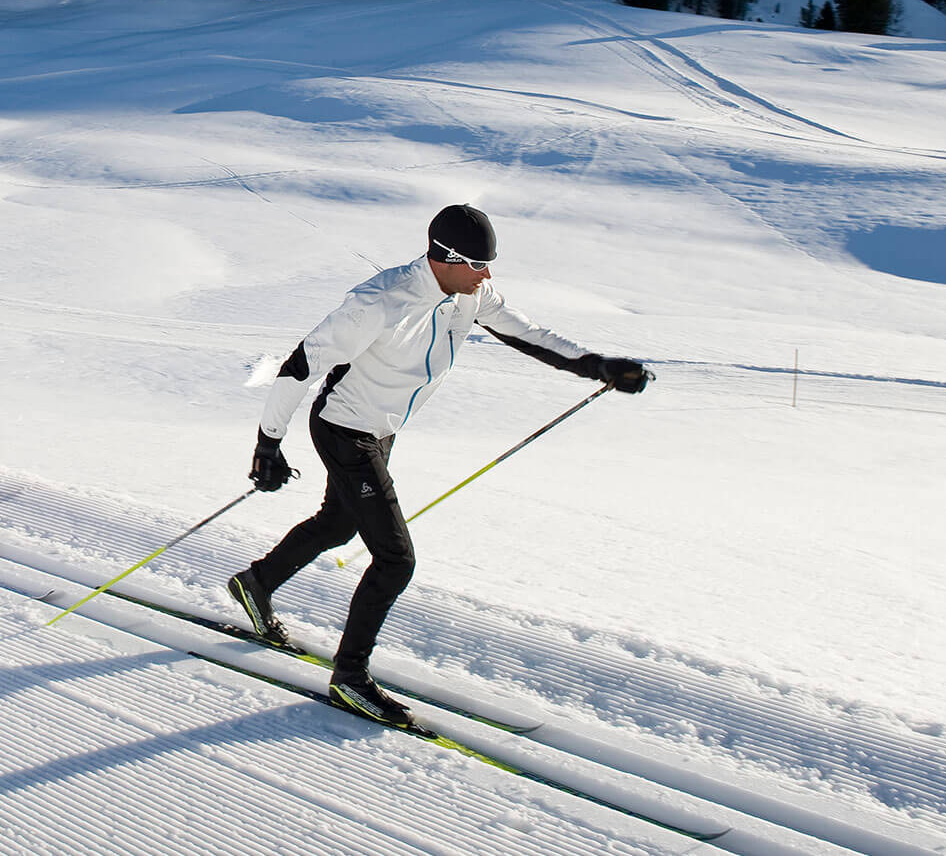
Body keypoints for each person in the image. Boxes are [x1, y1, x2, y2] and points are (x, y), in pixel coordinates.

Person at [226, 203, 651, 726]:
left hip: (381, 429)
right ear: (445, 258)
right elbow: (299, 367)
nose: (487, 275)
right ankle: (350, 679)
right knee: (395, 560)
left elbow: (529, 334)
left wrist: (598, 366)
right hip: (344, 428)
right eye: (478, 264)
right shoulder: (380, 302)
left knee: (337, 525)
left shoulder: (469, 293)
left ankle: (257, 584)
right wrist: (268, 445)